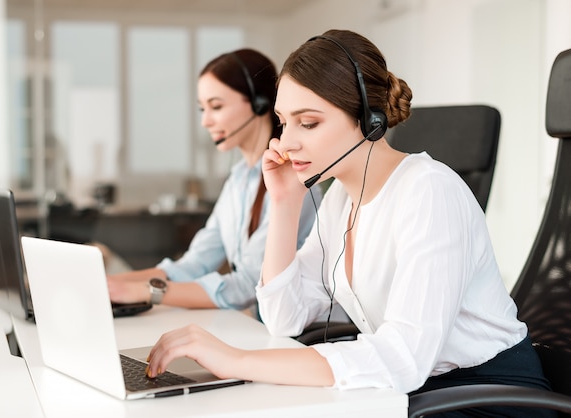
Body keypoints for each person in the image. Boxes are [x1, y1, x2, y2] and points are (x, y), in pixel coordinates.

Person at [142, 30, 555, 417]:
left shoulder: (430, 192)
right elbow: (285, 318)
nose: (286, 142)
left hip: (487, 399)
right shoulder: (340, 197)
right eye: (284, 123)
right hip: (413, 393)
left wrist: (238, 360)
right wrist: (285, 205)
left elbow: (404, 358)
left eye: (309, 122)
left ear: (369, 118)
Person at [107, 48, 321, 314]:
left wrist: (143, 291)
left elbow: (248, 284)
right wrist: (112, 283)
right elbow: (194, 264)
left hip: (303, 339)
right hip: (259, 330)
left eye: (216, 106)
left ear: (259, 104)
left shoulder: (293, 182)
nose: (205, 121)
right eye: (202, 109)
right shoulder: (238, 180)